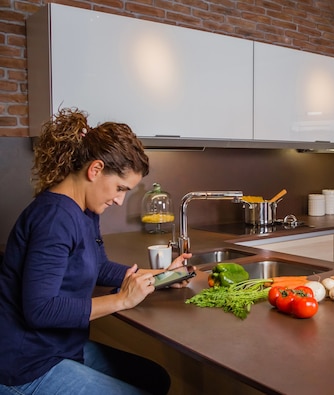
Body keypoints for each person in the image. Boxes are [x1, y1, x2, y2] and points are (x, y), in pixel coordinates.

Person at [0, 108, 192, 394]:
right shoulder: (55, 218)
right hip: (26, 364)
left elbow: (99, 267)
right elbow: (39, 310)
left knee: (155, 379)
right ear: (96, 169)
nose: (119, 200)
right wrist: (122, 301)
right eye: (120, 188)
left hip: (60, 346)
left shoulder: (84, 211)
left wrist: (163, 276)